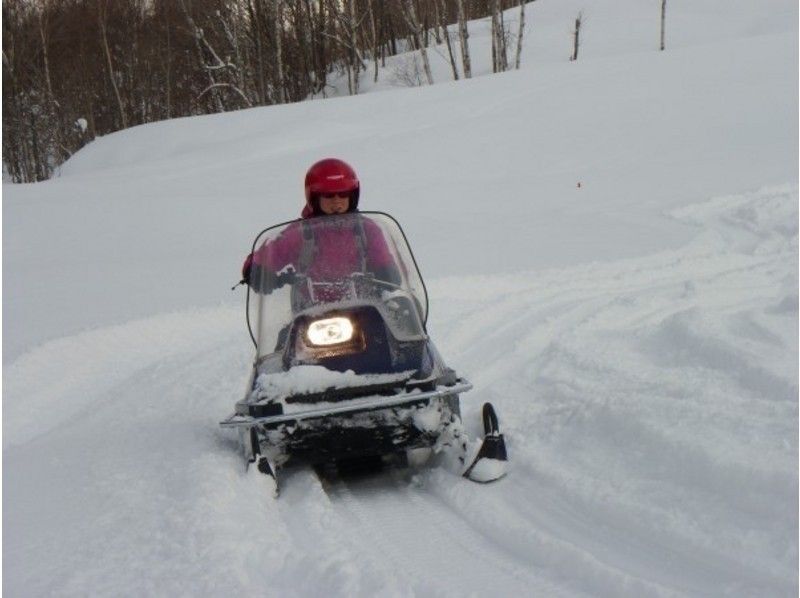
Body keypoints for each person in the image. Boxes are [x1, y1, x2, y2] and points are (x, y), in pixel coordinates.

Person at [241, 158, 401, 298]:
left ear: (353, 196)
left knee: (399, 316)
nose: (337, 202)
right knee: (287, 333)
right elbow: (271, 253)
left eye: (343, 194)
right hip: (312, 309)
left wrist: (387, 272)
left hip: (364, 302)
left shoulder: (367, 230)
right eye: (329, 196)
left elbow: (383, 257)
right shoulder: (301, 233)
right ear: (315, 197)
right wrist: (256, 270)